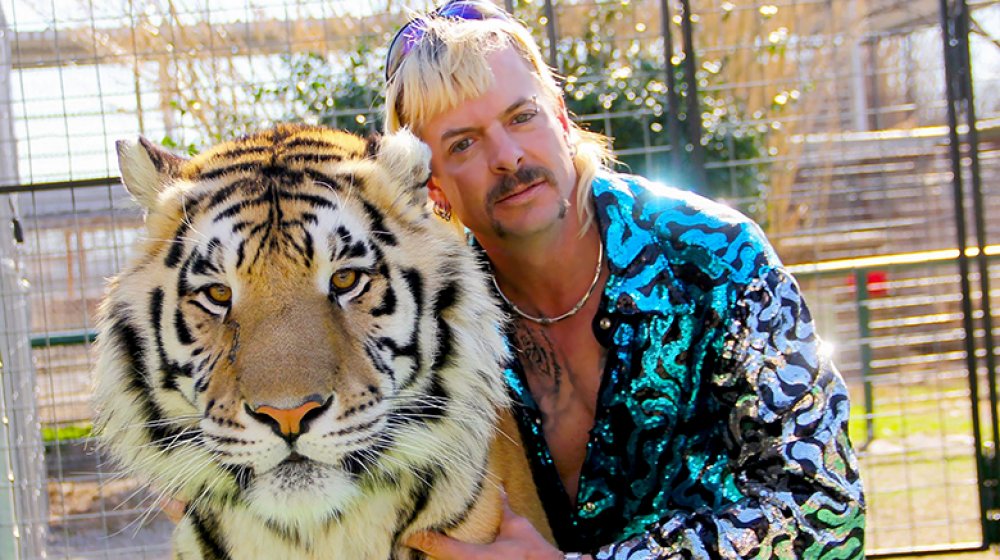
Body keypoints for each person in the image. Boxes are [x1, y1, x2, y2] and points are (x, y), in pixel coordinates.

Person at [384, 2, 866, 559]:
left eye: (522, 117)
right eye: (463, 143)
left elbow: (825, 508)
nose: (508, 156)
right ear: (434, 188)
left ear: (561, 117)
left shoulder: (716, 256)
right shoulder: (434, 334)